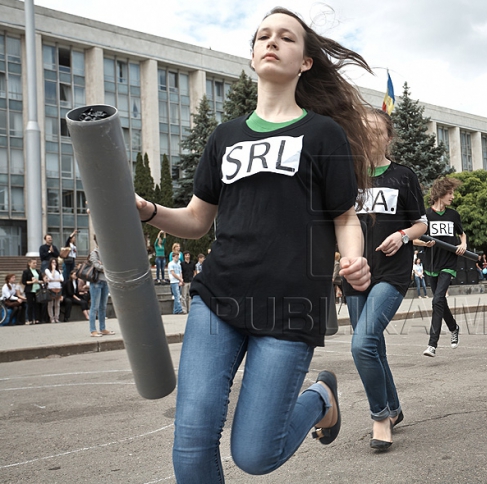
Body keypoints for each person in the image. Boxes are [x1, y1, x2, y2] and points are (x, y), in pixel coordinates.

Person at [134, 7, 373, 479]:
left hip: (291, 306)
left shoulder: (321, 133)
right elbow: (198, 220)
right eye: (263, 35)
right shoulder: (225, 136)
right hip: (218, 297)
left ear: (305, 61)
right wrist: (150, 212)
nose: (272, 41)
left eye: (286, 37)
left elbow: (345, 216)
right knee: (191, 444)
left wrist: (354, 258)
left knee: (256, 455)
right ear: (252, 55)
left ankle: (321, 397)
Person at [343, 108, 426, 450]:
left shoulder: (403, 176)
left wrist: (404, 235)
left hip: (392, 273)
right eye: (363, 130)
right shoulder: (346, 177)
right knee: (374, 345)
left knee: (361, 344)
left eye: (377, 130)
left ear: (389, 137)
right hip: (355, 273)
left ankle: (380, 417)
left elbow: (422, 224)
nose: (369, 135)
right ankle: (393, 408)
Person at [413, 176, 465, 357]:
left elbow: (462, 234)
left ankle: (432, 344)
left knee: (437, 300)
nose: (452, 197)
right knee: (440, 300)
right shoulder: (426, 216)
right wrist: (423, 244)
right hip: (431, 264)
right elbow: (414, 238)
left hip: (449, 263)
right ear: (440, 193)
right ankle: (454, 327)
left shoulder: (453, 215)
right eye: (450, 193)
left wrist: (463, 245)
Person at [88, 235, 115, 337]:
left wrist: (104, 266)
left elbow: (110, 264)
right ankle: (93, 330)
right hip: (96, 282)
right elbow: (96, 265)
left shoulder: (106, 253)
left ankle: (102, 328)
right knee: (94, 306)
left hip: (105, 281)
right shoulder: (94, 253)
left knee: (103, 307)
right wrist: (105, 266)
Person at [21, 259, 42, 325]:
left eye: (36, 263)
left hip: (37, 289)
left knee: (37, 304)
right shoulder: (26, 271)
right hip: (30, 290)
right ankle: (29, 319)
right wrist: (32, 282)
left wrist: (38, 281)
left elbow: (42, 280)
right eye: (33, 263)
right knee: (30, 305)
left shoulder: (38, 271)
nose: (35, 264)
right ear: (29, 263)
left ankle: (37, 319)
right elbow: (24, 282)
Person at [45, 257, 64, 323]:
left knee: (57, 304)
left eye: (55, 262)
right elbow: (50, 277)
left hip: (58, 287)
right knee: (50, 304)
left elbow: (62, 279)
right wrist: (53, 270)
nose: (54, 264)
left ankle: (57, 317)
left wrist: (53, 280)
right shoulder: (47, 270)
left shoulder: (59, 270)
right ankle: (51, 318)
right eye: (53, 262)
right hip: (51, 288)